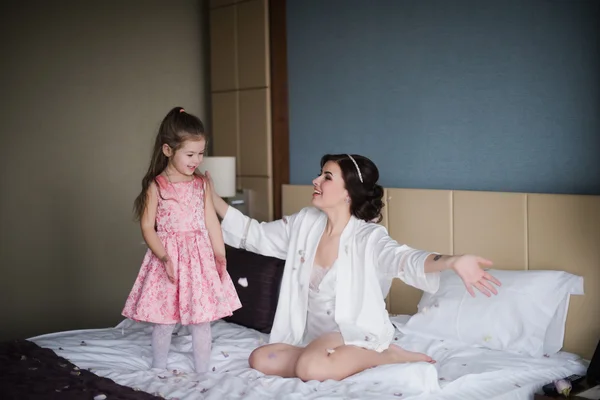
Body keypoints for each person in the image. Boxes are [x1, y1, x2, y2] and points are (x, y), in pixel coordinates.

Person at [205, 153, 501, 382]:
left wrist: (451, 261)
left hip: (353, 332)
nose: (316, 181)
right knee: (261, 359)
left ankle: (390, 355)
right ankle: (323, 356)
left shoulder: (368, 238)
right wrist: (211, 196)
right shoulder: (305, 223)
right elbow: (254, 234)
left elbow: (403, 258)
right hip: (312, 336)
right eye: (320, 175)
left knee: (311, 368)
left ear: (348, 192)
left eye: (327, 177)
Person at [122, 107, 241, 373]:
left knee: (201, 320)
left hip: (199, 259)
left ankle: (202, 373)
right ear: (167, 150)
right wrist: (164, 257)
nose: (197, 159)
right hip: (169, 259)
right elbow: (147, 227)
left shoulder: (201, 184)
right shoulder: (157, 186)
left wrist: (220, 255)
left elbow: (211, 221)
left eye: (201, 153)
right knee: (164, 319)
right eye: (190, 154)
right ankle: (159, 369)